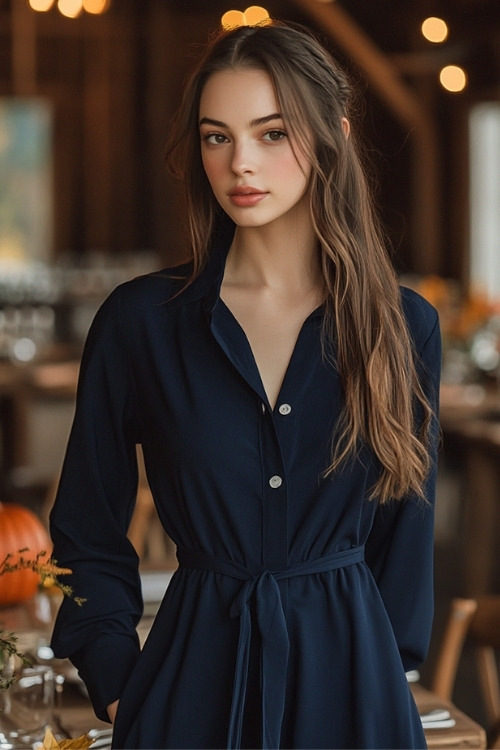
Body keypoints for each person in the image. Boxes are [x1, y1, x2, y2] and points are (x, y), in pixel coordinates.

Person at [50, 18, 441, 750]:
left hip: (356, 699)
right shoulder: (141, 323)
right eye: (216, 136)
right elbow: (86, 526)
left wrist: (383, 679)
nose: (240, 164)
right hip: (185, 695)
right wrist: (118, 682)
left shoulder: (403, 327)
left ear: (335, 137)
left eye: (271, 132)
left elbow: (404, 537)